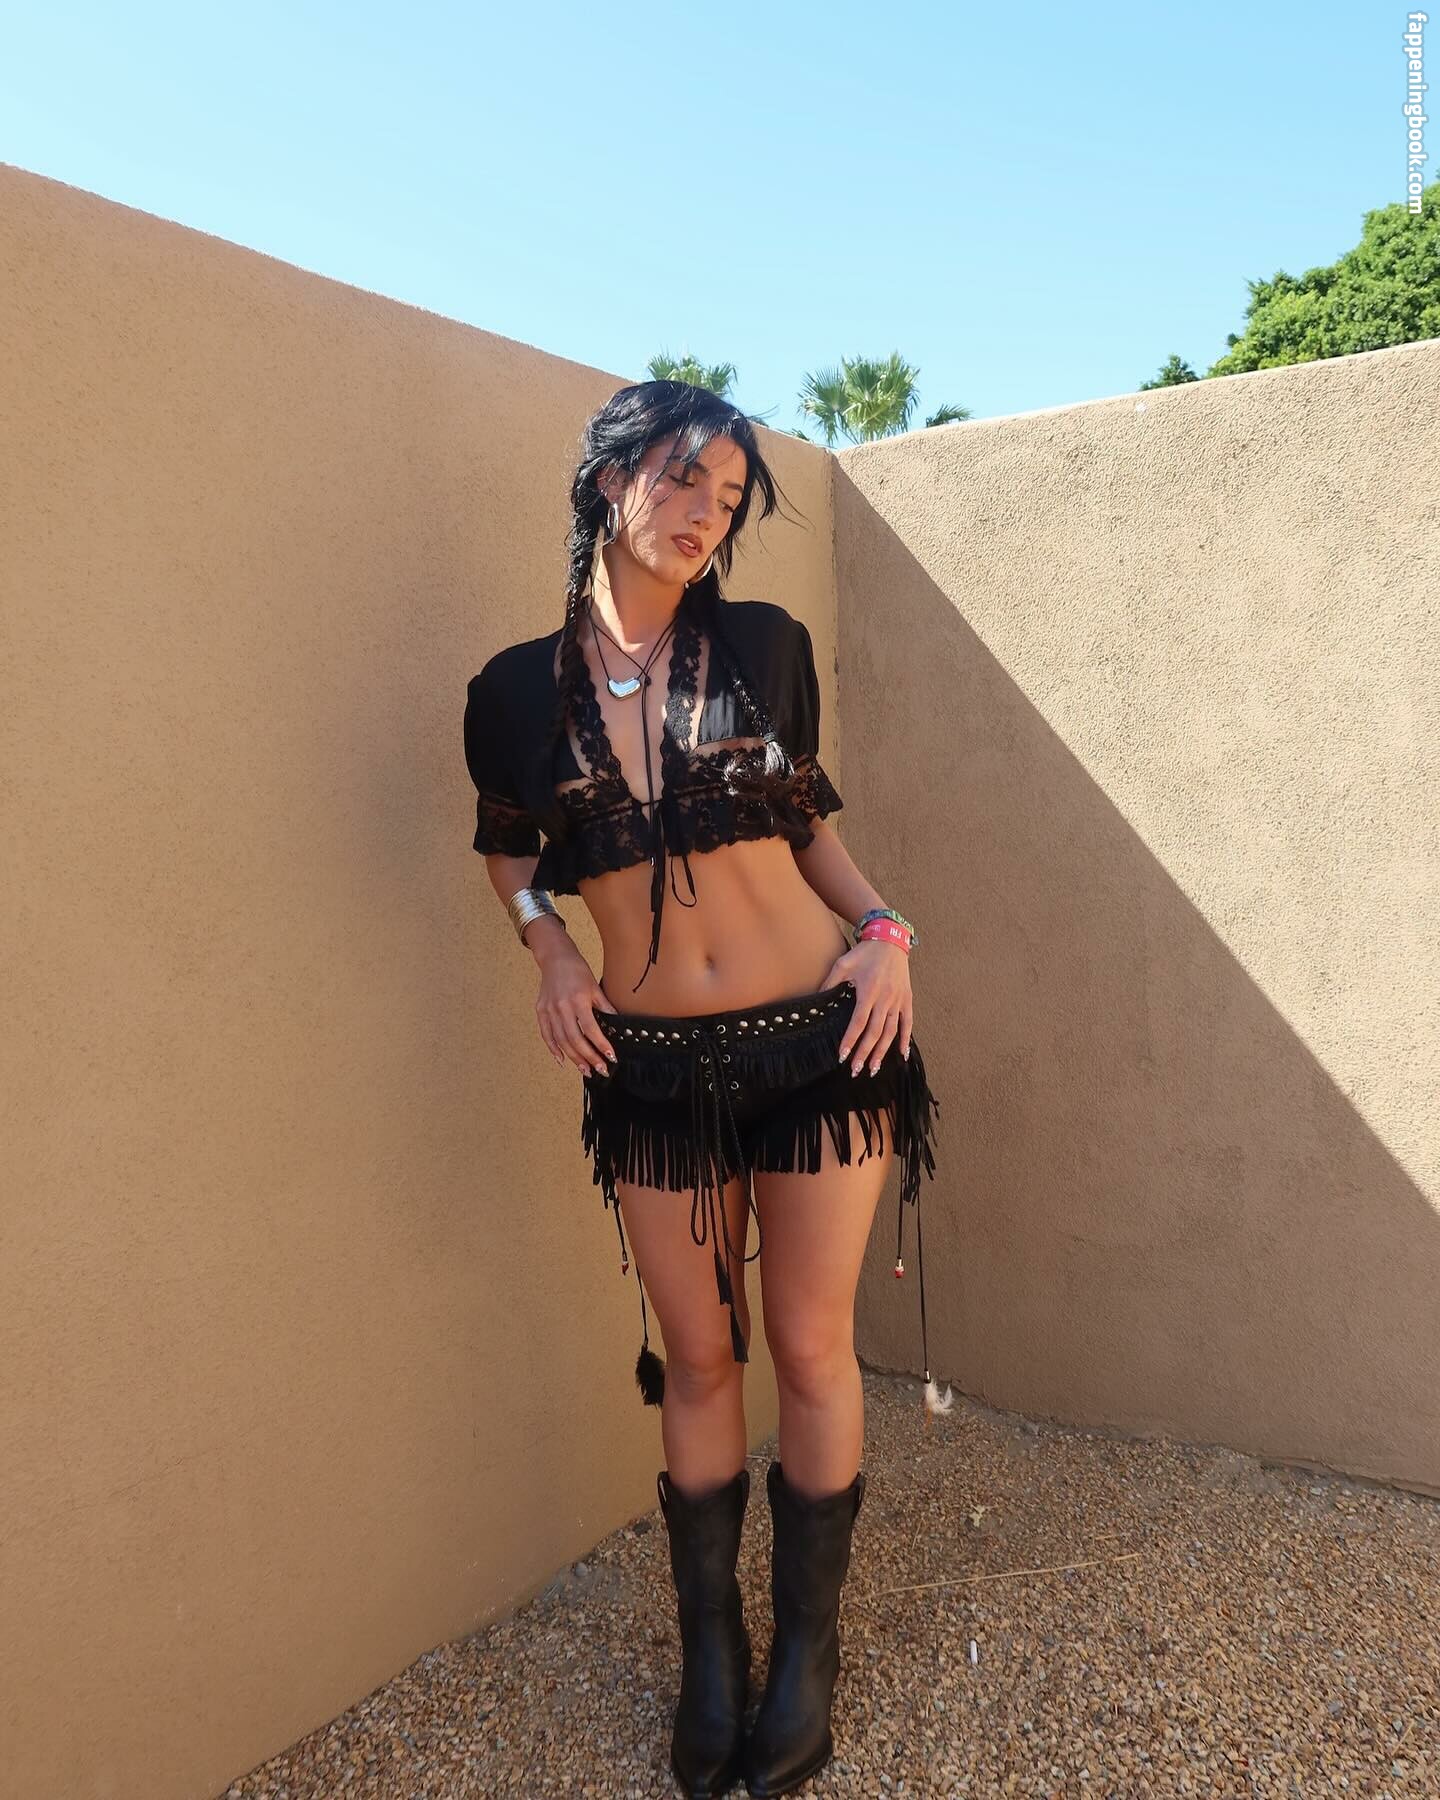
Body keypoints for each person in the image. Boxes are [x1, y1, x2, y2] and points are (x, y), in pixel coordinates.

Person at [463, 380, 943, 1799]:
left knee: (809, 1346)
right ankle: (713, 1653)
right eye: (681, 481)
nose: (703, 514)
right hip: (654, 1071)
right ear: (607, 480)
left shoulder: (763, 646)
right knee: (699, 1358)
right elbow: (508, 853)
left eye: (728, 498)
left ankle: (807, 1656)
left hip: (820, 1046)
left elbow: (808, 831)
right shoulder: (510, 693)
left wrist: (887, 936)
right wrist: (550, 947)